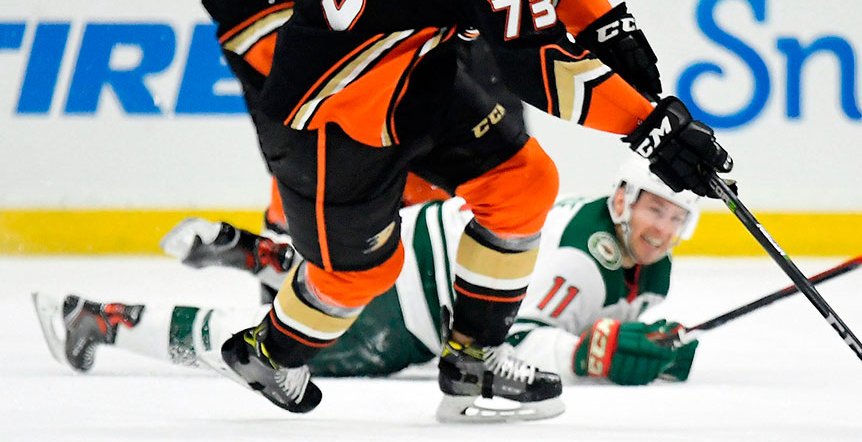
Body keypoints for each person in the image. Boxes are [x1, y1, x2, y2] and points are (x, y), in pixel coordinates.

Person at [185, 0, 732, 420]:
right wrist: (650, 129)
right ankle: (269, 349)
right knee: (362, 270)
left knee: (524, 181)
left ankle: (472, 361)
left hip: (400, 68)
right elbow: (537, 68)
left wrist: (606, 22)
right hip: (329, 101)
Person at [33, 158, 702, 389]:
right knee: (271, 354)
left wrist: (659, 340)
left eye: (676, 220)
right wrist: (587, 353)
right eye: (655, 212)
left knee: (315, 295)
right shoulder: (584, 261)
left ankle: (268, 255)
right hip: (409, 305)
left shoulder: (645, 261)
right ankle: (98, 320)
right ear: (623, 200)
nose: (662, 230)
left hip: (403, 247)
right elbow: (515, 338)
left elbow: (635, 323)